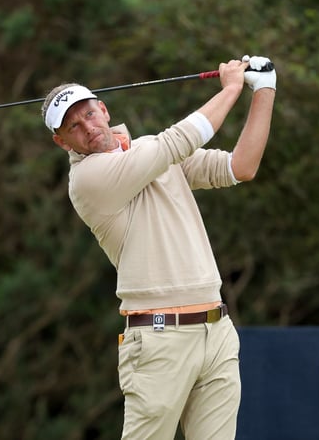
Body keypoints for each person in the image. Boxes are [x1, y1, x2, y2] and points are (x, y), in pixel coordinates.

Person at [40, 55, 276, 439]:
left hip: (215, 332)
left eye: (88, 114)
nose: (87, 127)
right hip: (157, 340)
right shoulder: (87, 179)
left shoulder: (150, 152)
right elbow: (178, 141)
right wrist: (232, 88)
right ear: (61, 141)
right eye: (73, 126)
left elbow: (241, 166)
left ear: (104, 108)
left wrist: (264, 89)